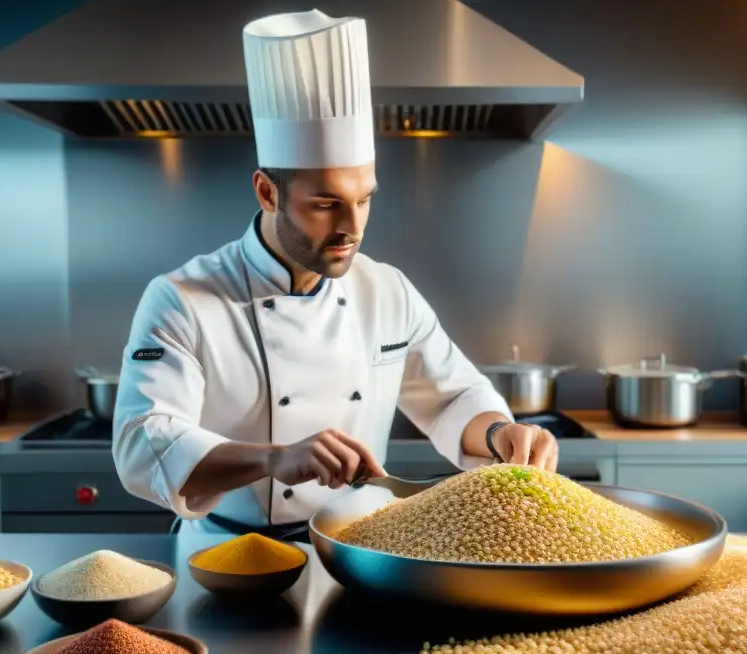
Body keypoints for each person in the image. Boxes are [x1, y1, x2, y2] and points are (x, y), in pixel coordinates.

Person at [112, 8, 560, 539]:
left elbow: (454, 397)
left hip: (362, 549)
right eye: (325, 204)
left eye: (364, 200)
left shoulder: (386, 291)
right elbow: (143, 442)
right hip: (225, 558)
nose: (351, 227)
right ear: (267, 191)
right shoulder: (182, 299)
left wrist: (501, 435)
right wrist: (273, 459)